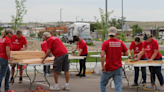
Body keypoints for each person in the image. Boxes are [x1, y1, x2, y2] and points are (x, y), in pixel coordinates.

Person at [100, 27, 128, 92]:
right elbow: (126, 53)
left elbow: (102, 55)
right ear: (116, 34)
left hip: (108, 67)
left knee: (103, 83)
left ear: (109, 34)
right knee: (118, 86)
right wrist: (121, 54)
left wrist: (102, 66)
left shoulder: (105, 43)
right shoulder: (120, 43)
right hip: (118, 67)